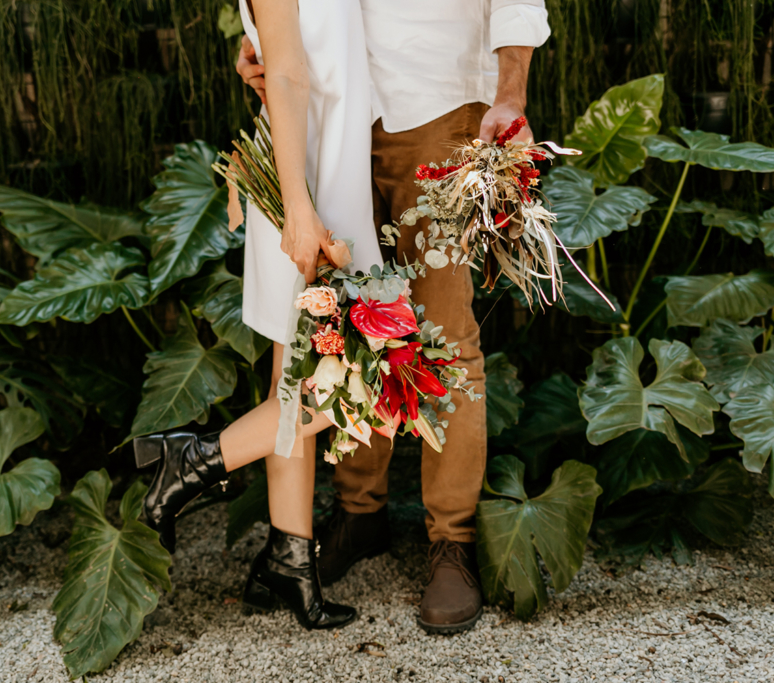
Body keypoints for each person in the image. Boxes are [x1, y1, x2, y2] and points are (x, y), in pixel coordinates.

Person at [236, 0, 551, 634]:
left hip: (438, 102)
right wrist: (268, 44)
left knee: (443, 334)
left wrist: (510, 93)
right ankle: (361, 511)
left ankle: (452, 542)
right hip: (336, 110)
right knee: (351, 322)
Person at [134, 0, 382, 631]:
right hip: (306, 179)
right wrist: (299, 208)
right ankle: (193, 461)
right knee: (356, 379)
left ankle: (290, 561)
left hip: (319, 163)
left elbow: (293, 57)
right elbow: (292, 72)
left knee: (295, 383)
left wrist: (257, 54)